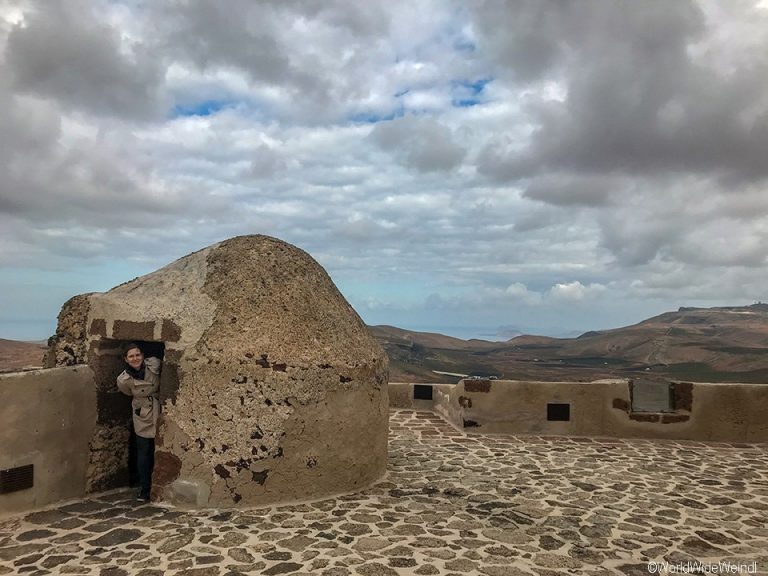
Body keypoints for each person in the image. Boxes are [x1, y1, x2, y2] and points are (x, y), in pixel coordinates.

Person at [117, 343, 161, 502]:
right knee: (144, 451)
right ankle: (145, 488)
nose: (135, 358)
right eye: (131, 356)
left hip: (159, 408)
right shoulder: (124, 380)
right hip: (142, 413)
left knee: (160, 448)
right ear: (126, 359)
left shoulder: (154, 364)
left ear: (142, 355)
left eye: (137, 355)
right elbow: (128, 392)